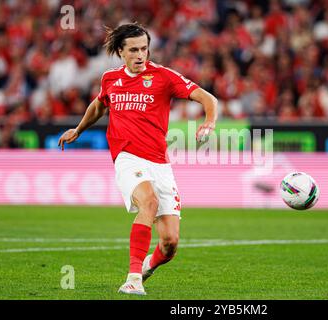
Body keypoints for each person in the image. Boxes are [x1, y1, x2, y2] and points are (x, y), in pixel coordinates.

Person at [58, 22, 218, 295]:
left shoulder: (164, 77)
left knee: (170, 243)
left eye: (144, 48)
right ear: (121, 51)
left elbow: (207, 97)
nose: (140, 54)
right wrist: (78, 128)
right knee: (149, 202)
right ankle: (133, 278)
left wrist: (210, 121)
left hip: (160, 163)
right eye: (133, 50)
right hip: (127, 157)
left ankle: (147, 266)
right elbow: (99, 104)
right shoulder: (110, 79)